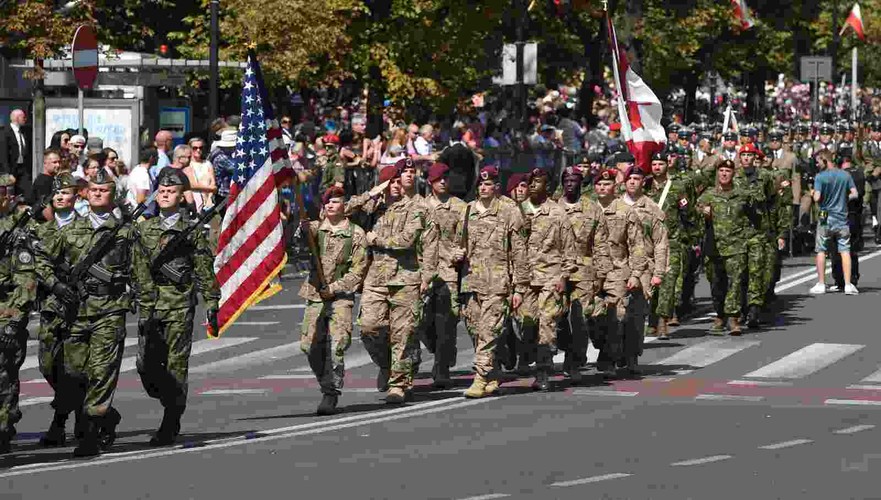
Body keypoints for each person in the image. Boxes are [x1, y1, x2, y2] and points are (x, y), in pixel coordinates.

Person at [37, 168, 142, 457]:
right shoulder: (70, 230)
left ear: (114, 194)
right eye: (93, 189)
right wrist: (56, 286)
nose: (97, 193)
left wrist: (145, 306)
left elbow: (139, 272)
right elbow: (41, 261)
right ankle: (106, 417)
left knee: (101, 371)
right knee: (72, 374)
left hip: (109, 311)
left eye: (104, 189)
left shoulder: (126, 232)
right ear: (86, 193)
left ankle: (92, 430)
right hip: (76, 312)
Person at [133, 168, 219, 445]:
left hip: (179, 304)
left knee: (175, 366)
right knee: (146, 366)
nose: (166, 193)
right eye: (162, 189)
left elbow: (204, 268)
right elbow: (136, 267)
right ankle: (171, 398)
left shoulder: (190, 230)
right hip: (150, 304)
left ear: (182, 197)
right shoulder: (143, 228)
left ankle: (171, 418)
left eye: (172, 190)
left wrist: (212, 303)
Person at [346, 164, 425, 404]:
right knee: (369, 326)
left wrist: (377, 239)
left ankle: (399, 384)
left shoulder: (415, 207)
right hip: (376, 278)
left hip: (405, 277)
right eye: (391, 182)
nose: (396, 186)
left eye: (398, 181)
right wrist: (372, 192)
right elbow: (345, 211)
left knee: (403, 333)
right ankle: (387, 365)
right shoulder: (372, 208)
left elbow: (407, 240)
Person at [297, 186, 367, 415]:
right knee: (310, 346)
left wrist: (335, 288)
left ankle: (331, 392)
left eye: (335, 202)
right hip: (315, 296)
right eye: (327, 202)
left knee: (338, 346)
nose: (330, 205)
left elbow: (358, 272)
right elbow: (300, 239)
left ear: (344, 206)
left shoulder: (356, 234)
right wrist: (301, 229)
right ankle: (324, 381)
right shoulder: (316, 230)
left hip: (340, 298)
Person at [458, 166, 527, 397]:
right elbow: (458, 243)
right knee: (476, 331)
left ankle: (479, 378)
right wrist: (456, 254)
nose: (484, 187)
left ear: (497, 186)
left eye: (489, 184)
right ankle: (493, 371)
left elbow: (518, 251)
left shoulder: (509, 210)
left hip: (499, 283)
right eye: (481, 184)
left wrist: (519, 287)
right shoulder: (468, 211)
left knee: (488, 332)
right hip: (472, 283)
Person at [34, 173, 86, 447]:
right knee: (47, 364)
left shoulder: (87, 227)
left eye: (65, 192)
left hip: (79, 305)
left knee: (74, 366)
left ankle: (66, 422)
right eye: (56, 193)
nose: (60, 197)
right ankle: (75, 407)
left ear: (76, 197)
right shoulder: (42, 230)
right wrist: (53, 285)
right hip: (52, 305)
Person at [0, 173, 38, 454]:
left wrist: (14, 320)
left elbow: (26, 281)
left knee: (3, 375)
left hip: (4, 313)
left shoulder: (17, 231)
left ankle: (3, 428)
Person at [420, 163, 467, 388]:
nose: (442, 182)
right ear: (430, 182)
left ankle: (442, 366)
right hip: (423, 270)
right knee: (422, 321)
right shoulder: (420, 207)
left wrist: (462, 251)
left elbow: (466, 237)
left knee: (447, 320)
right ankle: (439, 349)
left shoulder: (460, 207)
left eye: (445, 178)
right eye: (438, 178)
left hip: (448, 269)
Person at [698, 160, 749, 334]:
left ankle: (733, 318)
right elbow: (693, 215)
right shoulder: (708, 195)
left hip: (736, 246)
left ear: (733, 173)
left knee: (735, 283)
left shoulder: (742, 194)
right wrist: (703, 214)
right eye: (721, 171)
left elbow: (754, 217)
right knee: (716, 283)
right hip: (714, 247)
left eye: (728, 170)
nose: (724, 174)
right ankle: (720, 314)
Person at [809, 150, 859, 295]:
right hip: (842, 216)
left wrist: (813, 192)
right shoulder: (845, 175)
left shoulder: (820, 177)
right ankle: (848, 284)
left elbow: (817, 198)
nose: (817, 165)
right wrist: (844, 200)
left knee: (821, 249)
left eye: (818, 161)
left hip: (826, 215)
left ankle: (821, 283)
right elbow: (854, 193)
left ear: (824, 160)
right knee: (844, 249)